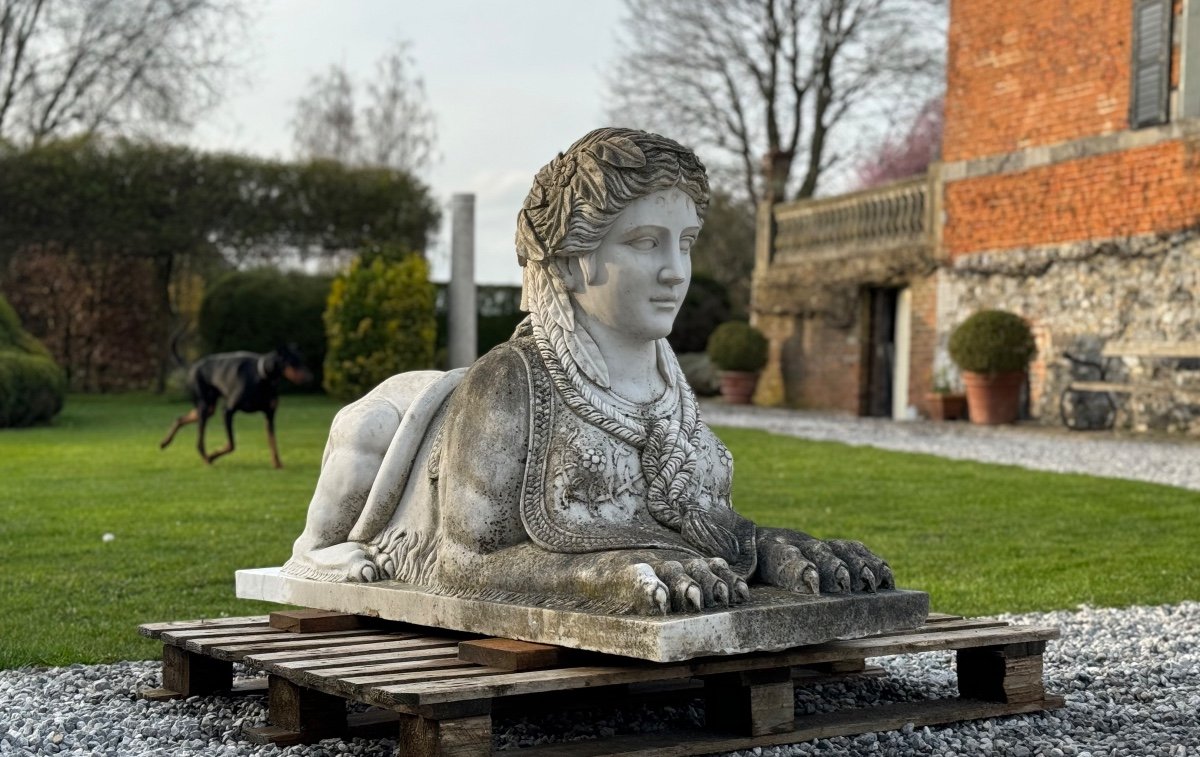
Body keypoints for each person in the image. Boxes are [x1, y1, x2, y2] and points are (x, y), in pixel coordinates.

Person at [284, 127, 893, 614]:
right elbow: (465, 563)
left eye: (685, 241)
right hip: (405, 445)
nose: (676, 271)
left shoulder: (669, 388)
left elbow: (698, 529)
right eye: (646, 242)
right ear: (573, 262)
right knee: (369, 426)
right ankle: (315, 549)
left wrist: (774, 550)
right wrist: (607, 576)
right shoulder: (511, 384)